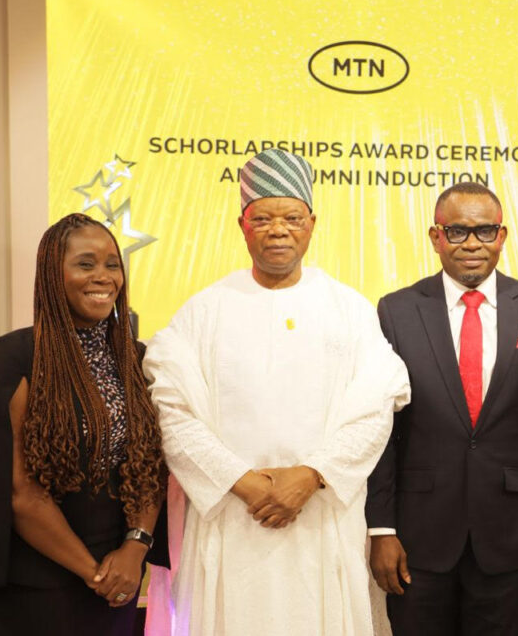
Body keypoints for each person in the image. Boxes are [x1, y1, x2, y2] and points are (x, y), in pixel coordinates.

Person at [142, 148, 410, 636]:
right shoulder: (203, 312)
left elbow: (375, 409)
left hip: (321, 519)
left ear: (312, 223)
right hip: (230, 517)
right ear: (242, 225)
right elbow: (172, 413)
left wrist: (312, 475)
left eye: (291, 218)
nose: (278, 230)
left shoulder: (348, 309)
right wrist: (240, 481)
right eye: (262, 218)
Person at [366, 182, 518, 635]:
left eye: (485, 231)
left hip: (510, 529)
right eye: (457, 231)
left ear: (502, 236)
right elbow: (381, 429)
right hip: (418, 534)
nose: (472, 243)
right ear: (436, 237)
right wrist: (381, 528)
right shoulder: (397, 311)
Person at [0, 213, 168, 636]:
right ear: (53, 273)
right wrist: (94, 573)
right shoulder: (15, 356)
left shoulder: (136, 357)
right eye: (85, 264)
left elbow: (150, 464)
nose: (103, 276)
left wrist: (135, 546)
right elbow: (22, 493)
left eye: (112, 265)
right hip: (34, 582)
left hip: (119, 573)